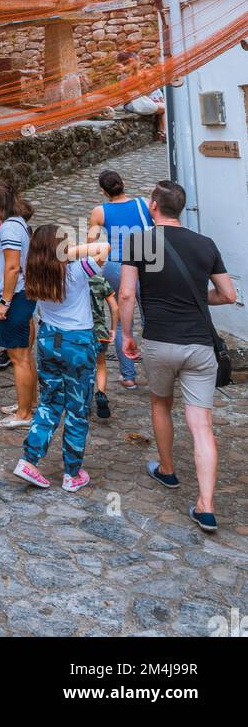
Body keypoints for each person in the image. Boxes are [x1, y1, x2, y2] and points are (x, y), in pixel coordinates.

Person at [120, 180, 236, 533]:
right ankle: (206, 505)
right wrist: (200, 299)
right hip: (199, 345)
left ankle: (167, 470)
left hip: (160, 341)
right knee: (202, 425)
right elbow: (227, 295)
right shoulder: (205, 244)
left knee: (160, 404)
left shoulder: (140, 242)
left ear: (154, 206)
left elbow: (126, 294)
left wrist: (125, 335)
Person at [12, 226, 111, 492]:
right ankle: (72, 472)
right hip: (76, 343)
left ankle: (29, 460)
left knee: (50, 402)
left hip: (48, 341)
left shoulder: (33, 273)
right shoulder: (75, 271)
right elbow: (105, 248)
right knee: (78, 409)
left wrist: (55, 254)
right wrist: (69, 252)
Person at [88, 168, 152, 389]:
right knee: (150, 317)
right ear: (123, 182)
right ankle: (156, 370)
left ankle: (128, 375)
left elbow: (92, 242)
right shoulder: (144, 204)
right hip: (146, 262)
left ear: (103, 191)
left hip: (116, 265)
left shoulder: (100, 211)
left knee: (121, 320)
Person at [0, 180, 36, 428]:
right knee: (23, 355)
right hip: (18, 296)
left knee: (19, 357)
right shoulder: (13, 226)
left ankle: (24, 414)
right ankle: (27, 403)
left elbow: (13, 267)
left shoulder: (10, 230)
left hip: (13, 298)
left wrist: (4, 301)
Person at [88, 270, 118, 419]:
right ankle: (101, 393)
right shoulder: (100, 280)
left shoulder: (73, 279)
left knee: (82, 368)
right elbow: (115, 307)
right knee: (100, 364)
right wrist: (113, 328)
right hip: (99, 332)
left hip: (80, 332)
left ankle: (84, 400)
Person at [118, 51, 166, 141]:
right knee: (166, 108)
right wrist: (153, 86)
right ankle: (164, 132)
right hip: (137, 104)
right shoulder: (134, 76)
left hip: (131, 104)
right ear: (132, 61)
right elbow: (143, 93)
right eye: (137, 59)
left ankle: (162, 132)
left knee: (162, 108)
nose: (139, 62)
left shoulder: (125, 75)